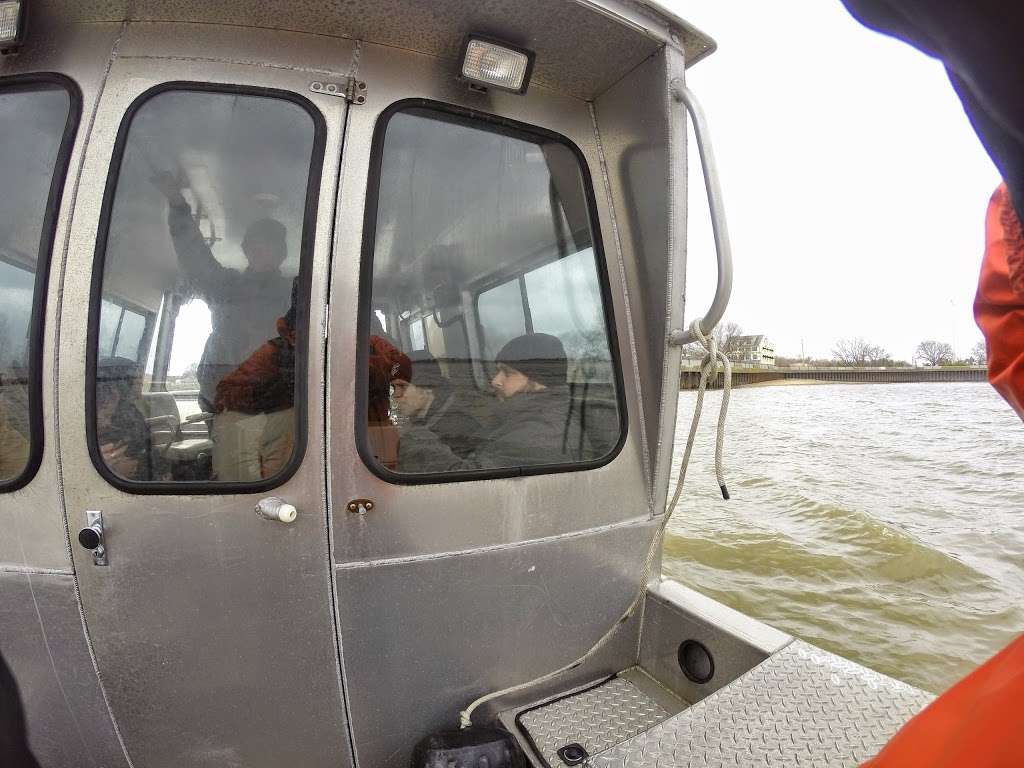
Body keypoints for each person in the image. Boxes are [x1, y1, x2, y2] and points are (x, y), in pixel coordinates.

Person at [151, 171, 292, 480]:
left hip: (286, 409)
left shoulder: (299, 293)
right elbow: (195, 257)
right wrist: (177, 203)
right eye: (255, 245)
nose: (261, 251)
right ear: (245, 250)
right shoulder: (225, 286)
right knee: (236, 490)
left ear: (282, 253)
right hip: (232, 408)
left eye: (270, 246)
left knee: (288, 488)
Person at [400, 332, 589, 472]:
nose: (495, 381)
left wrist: (416, 436)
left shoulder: (538, 435)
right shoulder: (522, 419)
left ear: (538, 379)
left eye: (507, 373)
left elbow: (466, 482)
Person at [213, 279, 299, 480]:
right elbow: (225, 392)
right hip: (282, 464)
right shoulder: (273, 353)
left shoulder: (373, 348)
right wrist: (282, 397)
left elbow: (388, 370)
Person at [393, 351, 483, 471]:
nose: (395, 395)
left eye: (402, 387)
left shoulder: (455, 426)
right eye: (394, 387)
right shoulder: (428, 417)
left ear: (426, 389)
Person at [96, 357, 153, 480]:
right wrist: (112, 469)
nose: (139, 388)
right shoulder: (105, 422)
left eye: (140, 382)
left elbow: (147, 449)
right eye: (135, 382)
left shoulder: (133, 413)